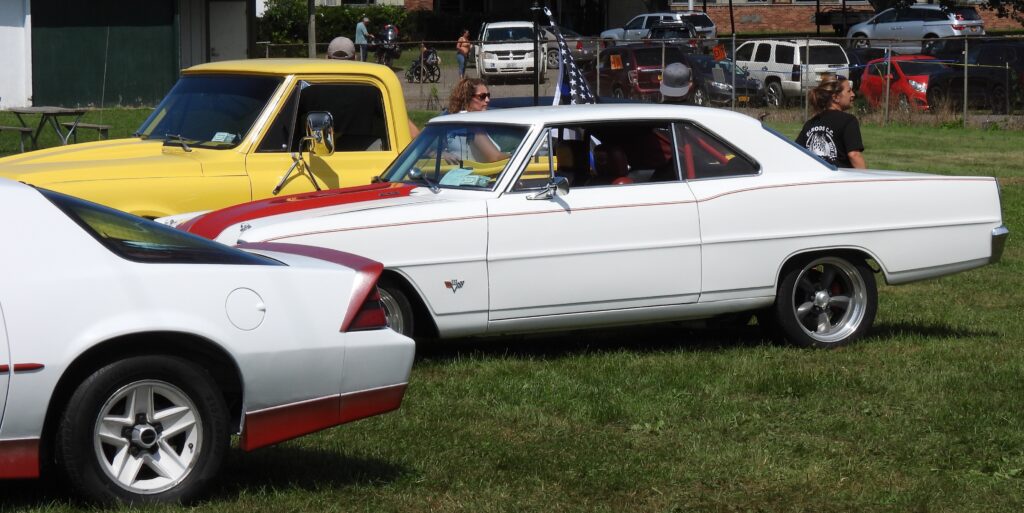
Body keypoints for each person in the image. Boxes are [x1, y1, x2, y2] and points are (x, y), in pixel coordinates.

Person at [796, 76, 866, 169]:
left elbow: (797, 151)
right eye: (849, 91)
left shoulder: (810, 124)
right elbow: (854, 155)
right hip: (838, 180)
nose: (853, 94)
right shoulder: (848, 121)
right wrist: (866, 180)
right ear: (835, 97)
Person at [443, 78, 505, 162]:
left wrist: (441, 154)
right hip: (483, 174)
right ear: (468, 98)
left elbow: (425, 145)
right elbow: (494, 157)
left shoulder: (451, 120)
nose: (487, 100)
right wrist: (519, 156)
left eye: (488, 95)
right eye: (482, 96)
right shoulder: (473, 124)